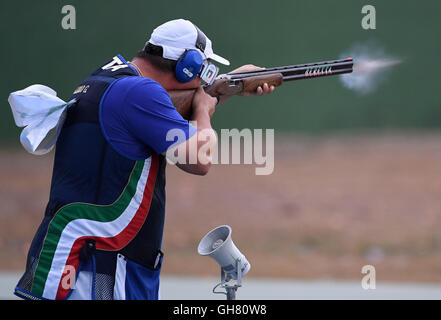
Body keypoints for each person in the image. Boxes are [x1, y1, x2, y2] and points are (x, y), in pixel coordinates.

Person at [14, 18, 274, 300]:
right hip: (99, 271)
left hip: (80, 258)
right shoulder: (139, 92)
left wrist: (232, 86)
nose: (204, 80)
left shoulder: (108, 80)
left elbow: (160, 117)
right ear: (186, 65)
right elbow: (200, 159)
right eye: (204, 70)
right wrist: (203, 111)